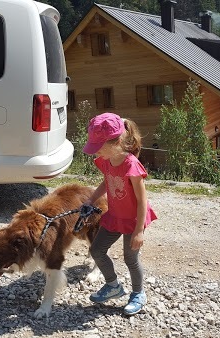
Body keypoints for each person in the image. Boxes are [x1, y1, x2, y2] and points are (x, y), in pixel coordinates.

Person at [81, 112, 157, 316]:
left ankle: (139, 294)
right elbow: (107, 181)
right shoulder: (107, 161)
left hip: (133, 221)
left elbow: (142, 201)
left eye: (98, 149)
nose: (96, 154)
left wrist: (139, 231)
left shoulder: (131, 164)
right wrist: (90, 200)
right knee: (97, 250)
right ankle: (113, 286)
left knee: (130, 259)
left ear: (114, 143)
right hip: (114, 217)